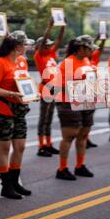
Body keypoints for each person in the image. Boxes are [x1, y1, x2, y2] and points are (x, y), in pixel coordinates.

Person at [0, 31, 33, 199]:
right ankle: (6, 185)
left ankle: (14, 181)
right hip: (0, 109)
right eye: (24, 44)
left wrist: (29, 94)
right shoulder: (0, 63)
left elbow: (24, 82)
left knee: (20, 146)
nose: (26, 47)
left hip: (18, 109)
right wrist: (10, 94)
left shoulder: (21, 61)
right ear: (16, 46)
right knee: (5, 148)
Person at [54, 35, 98, 181]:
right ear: (80, 48)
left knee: (83, 135)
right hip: (69, 103)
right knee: (69, 136)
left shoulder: (86, 60)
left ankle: (80, 165)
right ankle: (62, 168)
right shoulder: (67, 63)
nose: (91, 51)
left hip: (86, 101)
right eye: (89, 48)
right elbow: (60, 87)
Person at [34, 19, 65, 157]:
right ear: (41, 46)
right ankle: (41, 146)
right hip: (46, 87)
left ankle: (48, 143)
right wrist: (50, 26)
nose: (49, 46)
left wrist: (62, 26)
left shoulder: (51, 54)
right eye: (47, 45)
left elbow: (58, 40)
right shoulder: (39, 55)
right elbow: (43, 43)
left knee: (50, 117)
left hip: (54, 87)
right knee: (43, 118)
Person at [85, 34, 107, 149]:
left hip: (93, 91)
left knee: (89, 117)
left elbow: (100, 49)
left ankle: (86, 138)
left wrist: (103, 40)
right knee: (84, 118)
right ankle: (83, 139)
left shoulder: (94, 59)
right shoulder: (82, 60)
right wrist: (96, 38)